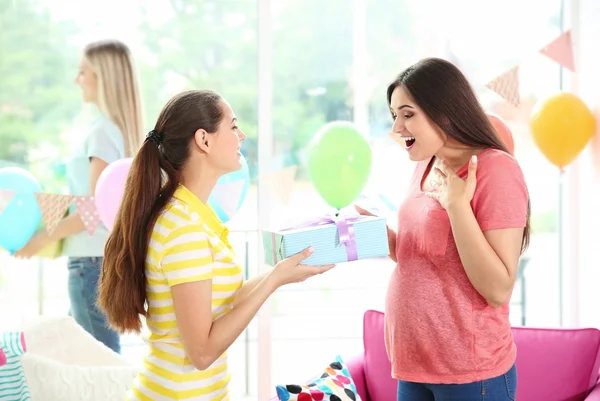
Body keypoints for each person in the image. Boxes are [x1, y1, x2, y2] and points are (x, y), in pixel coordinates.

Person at [98, 89, 335, 400]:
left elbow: (221, 302)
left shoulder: (193, 212)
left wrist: (279, 272)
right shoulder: (182, 229)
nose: (243, 135)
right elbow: (202, 353)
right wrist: (275, 280)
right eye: (233, 126)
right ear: (204, 140)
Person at [356, 57, 530, 401]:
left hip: (470, 373)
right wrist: (380, 235)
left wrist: (457, 205)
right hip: (414, 365)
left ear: (444, 111)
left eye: (408, 115)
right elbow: (426, 254)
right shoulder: (426, 162)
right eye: (394, 116)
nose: (397, 128)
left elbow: (497, 288)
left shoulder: (497, 171)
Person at [14, 39, 144, 354]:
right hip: (100, 261)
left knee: (101, 368)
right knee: (78, 357)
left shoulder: (102, 132)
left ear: (102, 77)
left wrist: (42, 238)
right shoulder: (117, 130)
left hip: (90, 265)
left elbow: (95, 208)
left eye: (82, 71)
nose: (77, 79)